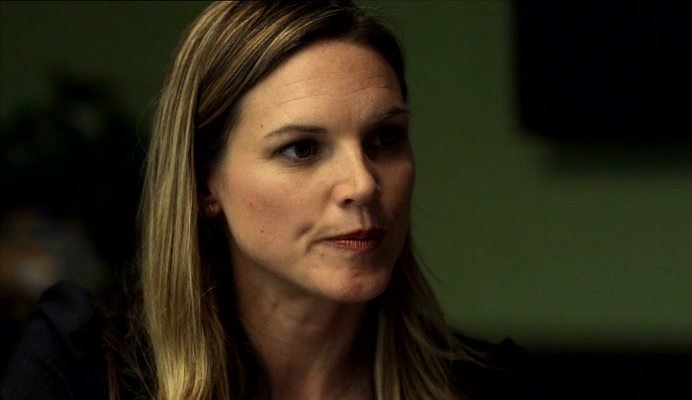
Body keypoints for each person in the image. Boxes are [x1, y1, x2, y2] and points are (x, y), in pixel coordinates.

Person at [2, 2, 524, 399]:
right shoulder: (82, 366)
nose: (363, 184)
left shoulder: (495, 386)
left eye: (385, 138)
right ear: (204, 184)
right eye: (302, 149)